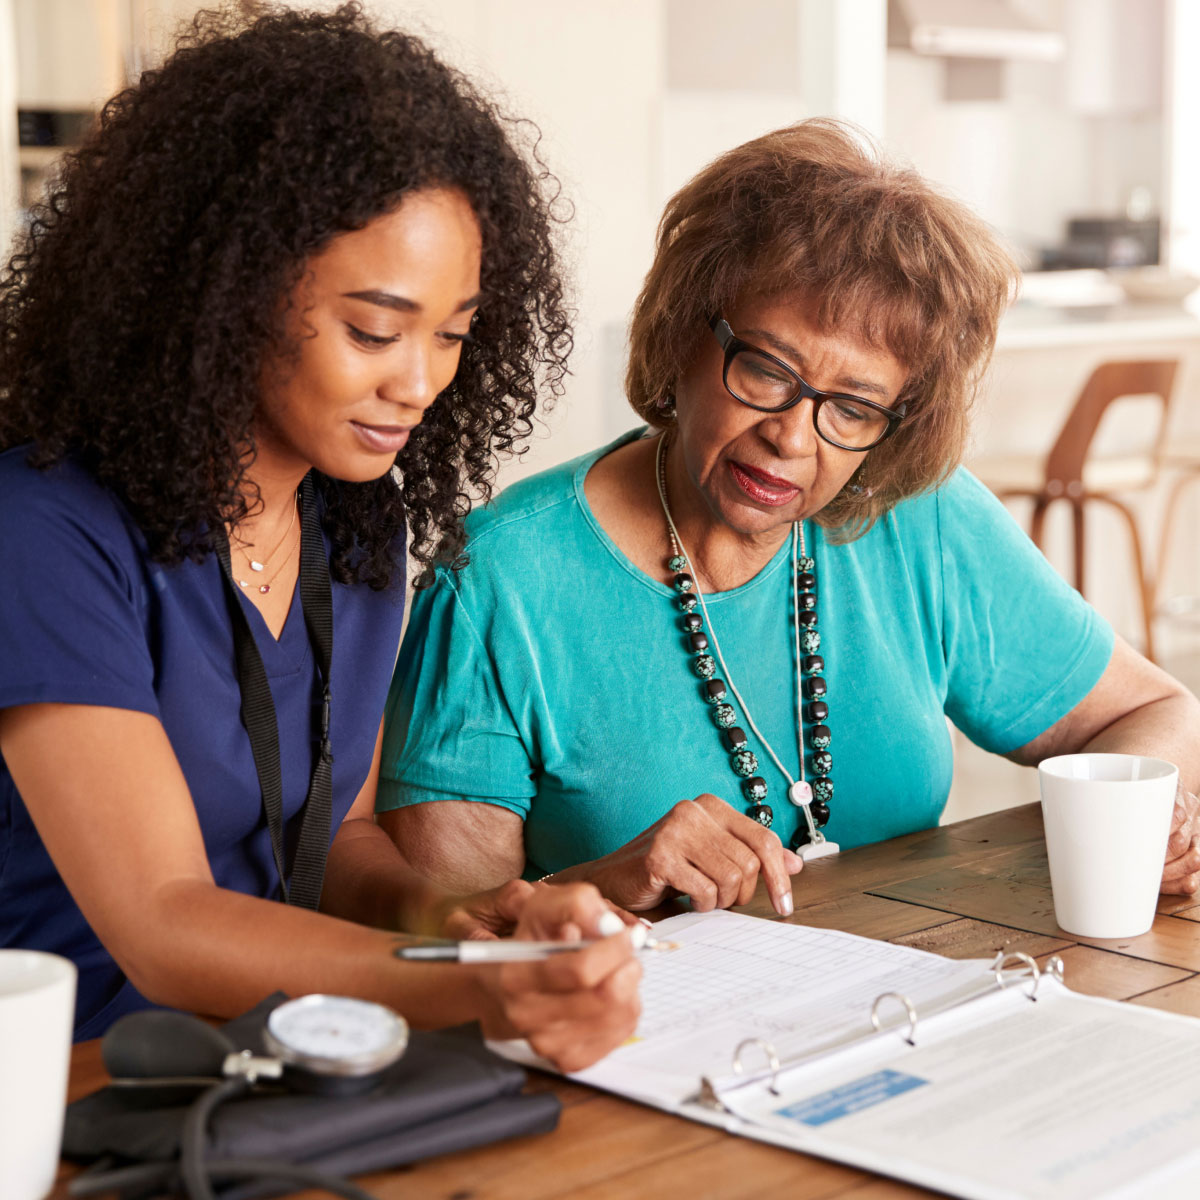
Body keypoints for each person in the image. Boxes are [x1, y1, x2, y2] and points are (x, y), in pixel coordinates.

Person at [0, 3, 639, 1070]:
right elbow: (162, 919)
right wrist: (473, 991)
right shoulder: (41, 532)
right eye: (375, 331)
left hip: (272, 1061)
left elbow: (330, 841)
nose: (423, 382)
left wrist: (465, 924)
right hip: (65, 1086)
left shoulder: (355, 519)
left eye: (453, 334)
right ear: (222, 293)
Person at [378, 119, 1200, 917]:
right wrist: (602, 885)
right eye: (767, 371)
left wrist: (1140, 817)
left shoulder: (919, 518)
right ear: (681, 337)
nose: (792, 437)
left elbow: (1154, 712)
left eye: (852, 408)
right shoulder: (500, 581)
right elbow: (444, 940)